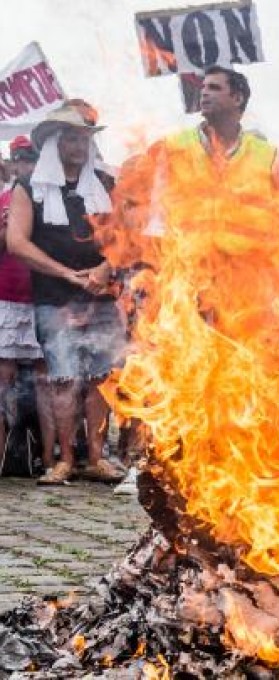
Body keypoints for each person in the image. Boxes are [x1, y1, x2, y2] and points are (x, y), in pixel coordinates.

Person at [7, 101, 125, 486]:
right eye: (72, 137)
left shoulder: (105, 184)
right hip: (54, 296)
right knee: (62, 379)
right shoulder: (31, 188)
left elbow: (126, 236)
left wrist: (103, 270)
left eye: (84, 137)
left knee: (101, 379)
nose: (79, 144)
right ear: (55, 142)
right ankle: (64, 460)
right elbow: (17, 242)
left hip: (102, 295)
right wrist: (67, 275)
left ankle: (96, 457)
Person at [0, 136, 55, 477]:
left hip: (42, 296)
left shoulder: (52, 197)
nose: (27, 165)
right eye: (20, 159)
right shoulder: (4, 198)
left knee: (46, 382)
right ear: (13, 163)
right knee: (3, 379)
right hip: (7, 297)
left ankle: (49, 459)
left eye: (32, 159)